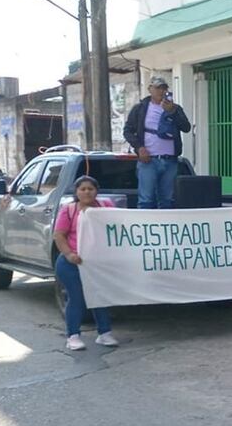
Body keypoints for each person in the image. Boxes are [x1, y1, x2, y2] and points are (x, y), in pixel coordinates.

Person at [53, 176, 119, 351]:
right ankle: (73, 335)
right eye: (83, 189)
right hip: (72, 263)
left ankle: (104, 333)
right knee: (77, 297)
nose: (87, 192)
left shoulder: (106, 207)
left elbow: (118, 227)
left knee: (100, 296)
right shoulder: (68, 210)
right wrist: (69, 254)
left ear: (96, 191)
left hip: (98, 264)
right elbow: (59, 235)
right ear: (76, 192)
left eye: (90, 188)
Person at [123, 76, 192, 209]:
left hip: (170, 160)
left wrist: (172, 112)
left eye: (164, 88)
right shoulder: (140, 108)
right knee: (146, 199)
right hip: (149, 160)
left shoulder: (175, 108)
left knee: (167, 200)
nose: (161, 91)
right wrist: (139, 148)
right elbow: (128, 131)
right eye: (158, 88)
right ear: (150, 89)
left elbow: (186, 127)